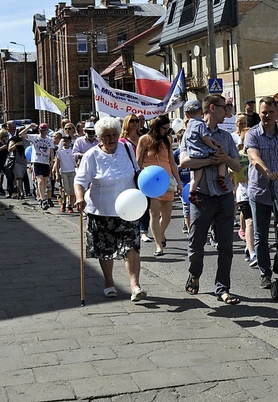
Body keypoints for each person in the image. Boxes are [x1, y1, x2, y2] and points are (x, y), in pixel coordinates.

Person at [74, 116, 146, 302]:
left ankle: (134, 285)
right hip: (101, 210)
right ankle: (109, 282)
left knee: (131, 246)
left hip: (129, 209)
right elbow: (80, 181)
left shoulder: (128, 149)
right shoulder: (91, 155)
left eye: (114, 134)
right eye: (107, 136)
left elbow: (137, 171)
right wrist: (80, 198)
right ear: (100, 137)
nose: (112, 138)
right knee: (106, 250)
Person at [180, 94, 242, 305]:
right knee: (196, 242)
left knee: (226, 245)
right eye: (225, 107)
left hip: (224, 195)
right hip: (201, 196)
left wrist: (224, 159)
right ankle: (194, 274)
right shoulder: (192, 130)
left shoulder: (225, 137)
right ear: (213, 108)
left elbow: (237, 166)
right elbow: (184, 162)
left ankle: (222, 288)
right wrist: (209, 160)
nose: (227, 111)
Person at [244, 96, 278, 288]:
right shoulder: (252, 134)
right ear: (259, 113)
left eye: (270, 112)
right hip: (259, 192)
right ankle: (265, 273)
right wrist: (267, 172)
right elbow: (253, 157)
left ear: (276, 113)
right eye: (263, 112)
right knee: (261, 236)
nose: (266, 115)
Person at [136, 114, 180, 257]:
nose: (167, 131)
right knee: (154, 214)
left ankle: (160, 234)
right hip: (150, 182)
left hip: (166, 180)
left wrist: (179, 182)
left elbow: (172, 162)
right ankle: (158, 246)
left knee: (167, 215)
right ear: (157, 127)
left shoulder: (168, 139)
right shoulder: (144, 140)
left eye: (168, 128)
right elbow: (138, 162)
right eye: (165, 128)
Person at [184, 100, 228, 203]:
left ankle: (192, 192)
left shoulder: (189, 125)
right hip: (203, 151)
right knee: (221, 158)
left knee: (196, 177)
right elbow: (205, 138)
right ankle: (221, 177)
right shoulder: (200, 124)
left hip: (193, 154)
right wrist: (214, 146)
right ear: (201, 112)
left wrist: (213, 141)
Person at [20, 123, 55, 210]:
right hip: (37, 161)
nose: (43, 133)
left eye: (45, 131)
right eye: (42, 131)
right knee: (40, 181)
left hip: (45, 162)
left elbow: (51, 151)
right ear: (39, 130)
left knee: (45, 182)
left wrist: (52, 161)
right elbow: (21, 134)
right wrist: (29, 127)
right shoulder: (35, 137)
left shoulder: (50, 139)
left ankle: (42, 198)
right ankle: (43, 200)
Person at [53, 135, 76, 213]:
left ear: (70, 142)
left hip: (72, 171)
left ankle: (70, 205)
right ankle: (63, 203)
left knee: (72, 190)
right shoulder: (60, 151)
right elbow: (57, 163)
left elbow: (76, 162)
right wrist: (57, 174)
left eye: (66, 141)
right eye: (63, 141)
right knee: (65, 189)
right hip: (64, 172)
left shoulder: (73, 150)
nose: (65, 143)